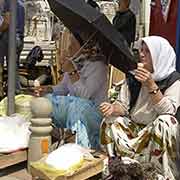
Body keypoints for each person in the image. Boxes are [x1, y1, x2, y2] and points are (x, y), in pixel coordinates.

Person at [100, 36, 180, 179]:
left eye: (147, 51)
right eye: (141, 50)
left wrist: (151, 85)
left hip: (155, 135)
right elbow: (123, 105)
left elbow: (168, 111)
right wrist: (113, 108)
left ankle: (161, 174)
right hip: (135, 131)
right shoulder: (133, 76)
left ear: (159, 55)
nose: (141, 54)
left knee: (166, 123)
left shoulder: (173, 80)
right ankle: (117, 168)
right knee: (111, 120)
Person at [36, 37, 108, 150]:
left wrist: (72, 72)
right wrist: (47, 90)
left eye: (72, 45)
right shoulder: (76, 63)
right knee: (45, 101)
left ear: (84, 48)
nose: (69, 49)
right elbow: (63, 88)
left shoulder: (98, 66)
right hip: (74, 111)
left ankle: (80, 148)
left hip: (92, 114)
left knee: (78, 106)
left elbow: (84, 95)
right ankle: (49, 141)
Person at [0, 0, 25, 97]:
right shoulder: (21, 3)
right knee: (13, 67)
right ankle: (16, 93)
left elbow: (7, 21)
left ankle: (10, 94)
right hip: (19, 38)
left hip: (9, 37)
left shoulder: (8, 2)